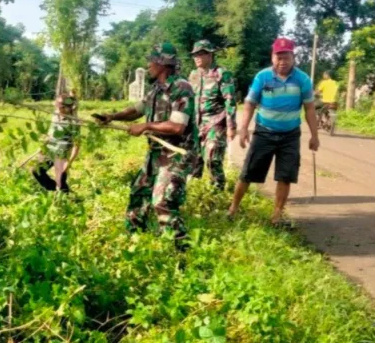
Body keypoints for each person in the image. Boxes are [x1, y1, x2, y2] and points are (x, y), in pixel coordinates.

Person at [93, 42, 198, 248]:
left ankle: (181, 249)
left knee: (162, 201)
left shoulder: (181, 88)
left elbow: (177, 127)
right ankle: (134, 239)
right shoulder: (155, 89)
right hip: (156, 152)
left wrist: (146, 126)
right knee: (139, 192)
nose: (148, 64)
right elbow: (137, 110)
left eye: (152, 60)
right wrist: (111, 116)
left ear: (163, 63)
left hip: (177, 154)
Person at [227, 37, 320, 227]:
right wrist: (244, 128)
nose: (282, 62)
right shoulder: (262, 77)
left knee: (285, 176)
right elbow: (250, 103)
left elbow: (309, 108)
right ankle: (233, 209)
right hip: (264, 132)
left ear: (293, 57)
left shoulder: (302, 79)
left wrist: (314, 135)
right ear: (272, 57)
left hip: (290, 135)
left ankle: (277, 215)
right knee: (248, 172)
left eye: (286, 57)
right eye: (279, 57)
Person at [187, 39, 237, 190]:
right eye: (195, 55)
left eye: (200, 54)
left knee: (212, 157)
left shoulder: (221, 73)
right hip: (197, 124)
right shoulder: (193, 75)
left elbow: (230, 100)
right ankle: (195, 192)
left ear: (210, 55)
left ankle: (218, 189)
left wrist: (231, 126)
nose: (197, 57)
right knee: (194, 159)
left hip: (216, 122)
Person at [32, 95, 81, 194]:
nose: (58, 108)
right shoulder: (55, 116)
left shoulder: (74, 122)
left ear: (67, 107)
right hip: (49, 151)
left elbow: (77, 145)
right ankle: (55, 190)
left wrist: (69, 163)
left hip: (62, 154)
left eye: (60, 106)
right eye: (57, 105)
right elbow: (50, 135)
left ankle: (66, 197)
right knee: (37, 171)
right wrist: (42, 148)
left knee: (61, 179)